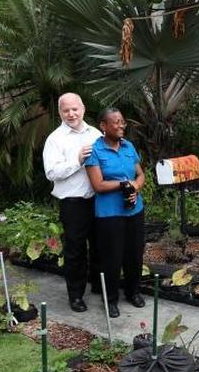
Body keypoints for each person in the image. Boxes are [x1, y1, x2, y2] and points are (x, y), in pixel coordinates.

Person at [42, 93, 102, 312]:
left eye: (74, 109)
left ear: (83, 109)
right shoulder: (55, 139)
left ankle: (99, 286)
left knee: (100, 246)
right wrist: (77, 160)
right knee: (75, 250)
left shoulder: (96, 134)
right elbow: (51, 172)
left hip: (98, 199)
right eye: (66, 110)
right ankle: (75, 295)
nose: (71, 114)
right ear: (60, 113)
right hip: (73, 204)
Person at [84, 108, 146, 318]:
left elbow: (140, 174)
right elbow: (98, 185)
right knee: (112, 258)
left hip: (134, 210)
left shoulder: (129, 147)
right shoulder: (95, 151)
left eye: (123, 122)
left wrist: (135, 188)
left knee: (134, 254)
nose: (121, 126)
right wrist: (123, 184)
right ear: (103, 126)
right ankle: (110, 300)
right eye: (116, 122)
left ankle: (132, 292)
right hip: (110, 214)